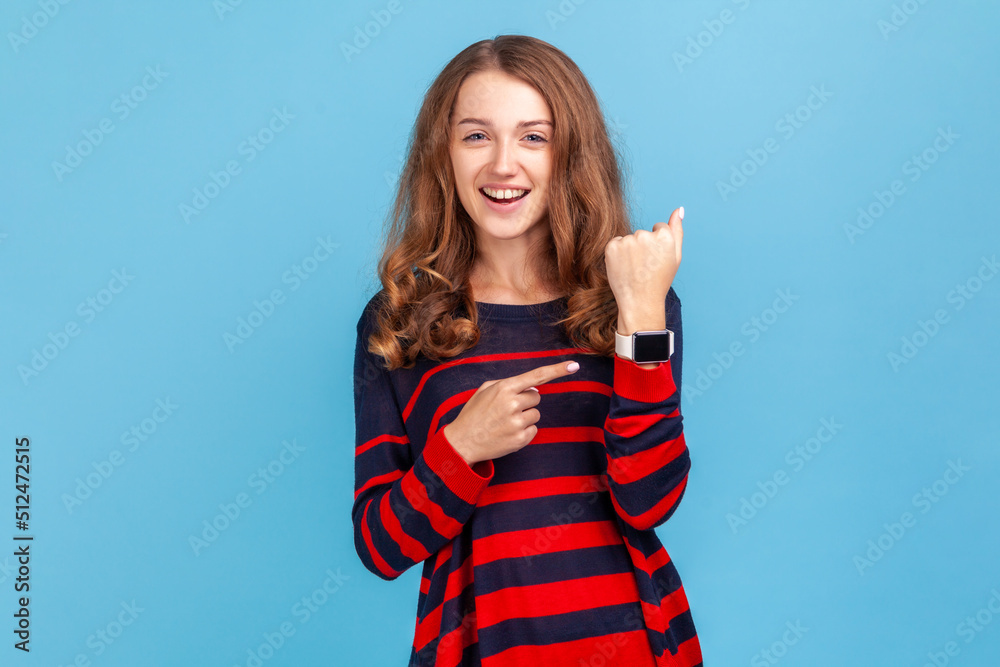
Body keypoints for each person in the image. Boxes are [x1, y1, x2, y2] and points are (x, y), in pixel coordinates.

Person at [352, 34, 702, 667]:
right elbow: (380, 547)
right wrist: (460, 447)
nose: (503, 165)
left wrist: (643, 313)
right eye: (477, 136)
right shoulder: (399, 321)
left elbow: (650, 499)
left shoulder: (633, 300)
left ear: (570, 155)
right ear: (443, 157)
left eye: (533, 137)